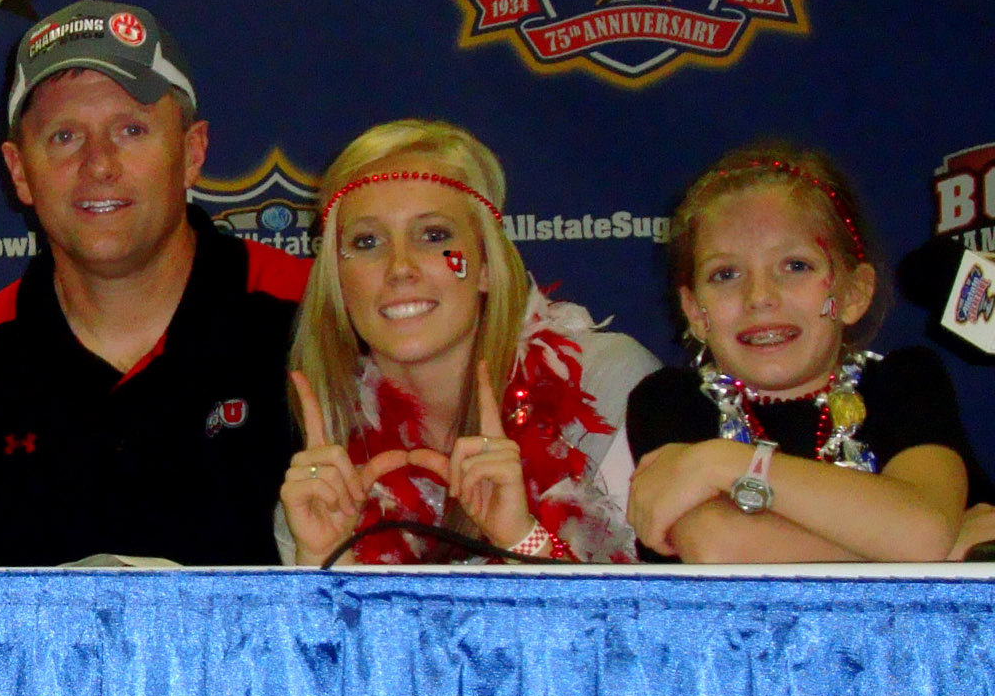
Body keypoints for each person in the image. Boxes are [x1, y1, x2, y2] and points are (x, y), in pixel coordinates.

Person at [0, 0, 308, 566]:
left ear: (192, 152)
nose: (99, 164)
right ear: (18, 171)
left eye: (131, 130)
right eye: (63, 137)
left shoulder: (308, 314)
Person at [279, 120, 656, 567]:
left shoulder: (607, 384)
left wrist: (523, 541)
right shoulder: (326, 470)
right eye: (367, 242)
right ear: (338, 283)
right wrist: (322, 561)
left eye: (434, 236)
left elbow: (664, 623)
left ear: (485, 265)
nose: (400, 268)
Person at [626, 140, 990, 562]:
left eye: (796, 266)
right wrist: (924, 551)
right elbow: (720, 547)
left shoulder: (906, 381)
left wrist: (721, 463)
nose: (759, 297)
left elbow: (920, 531)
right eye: (725, 274)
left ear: (853, 294)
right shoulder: (669, 399)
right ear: (696, 311)